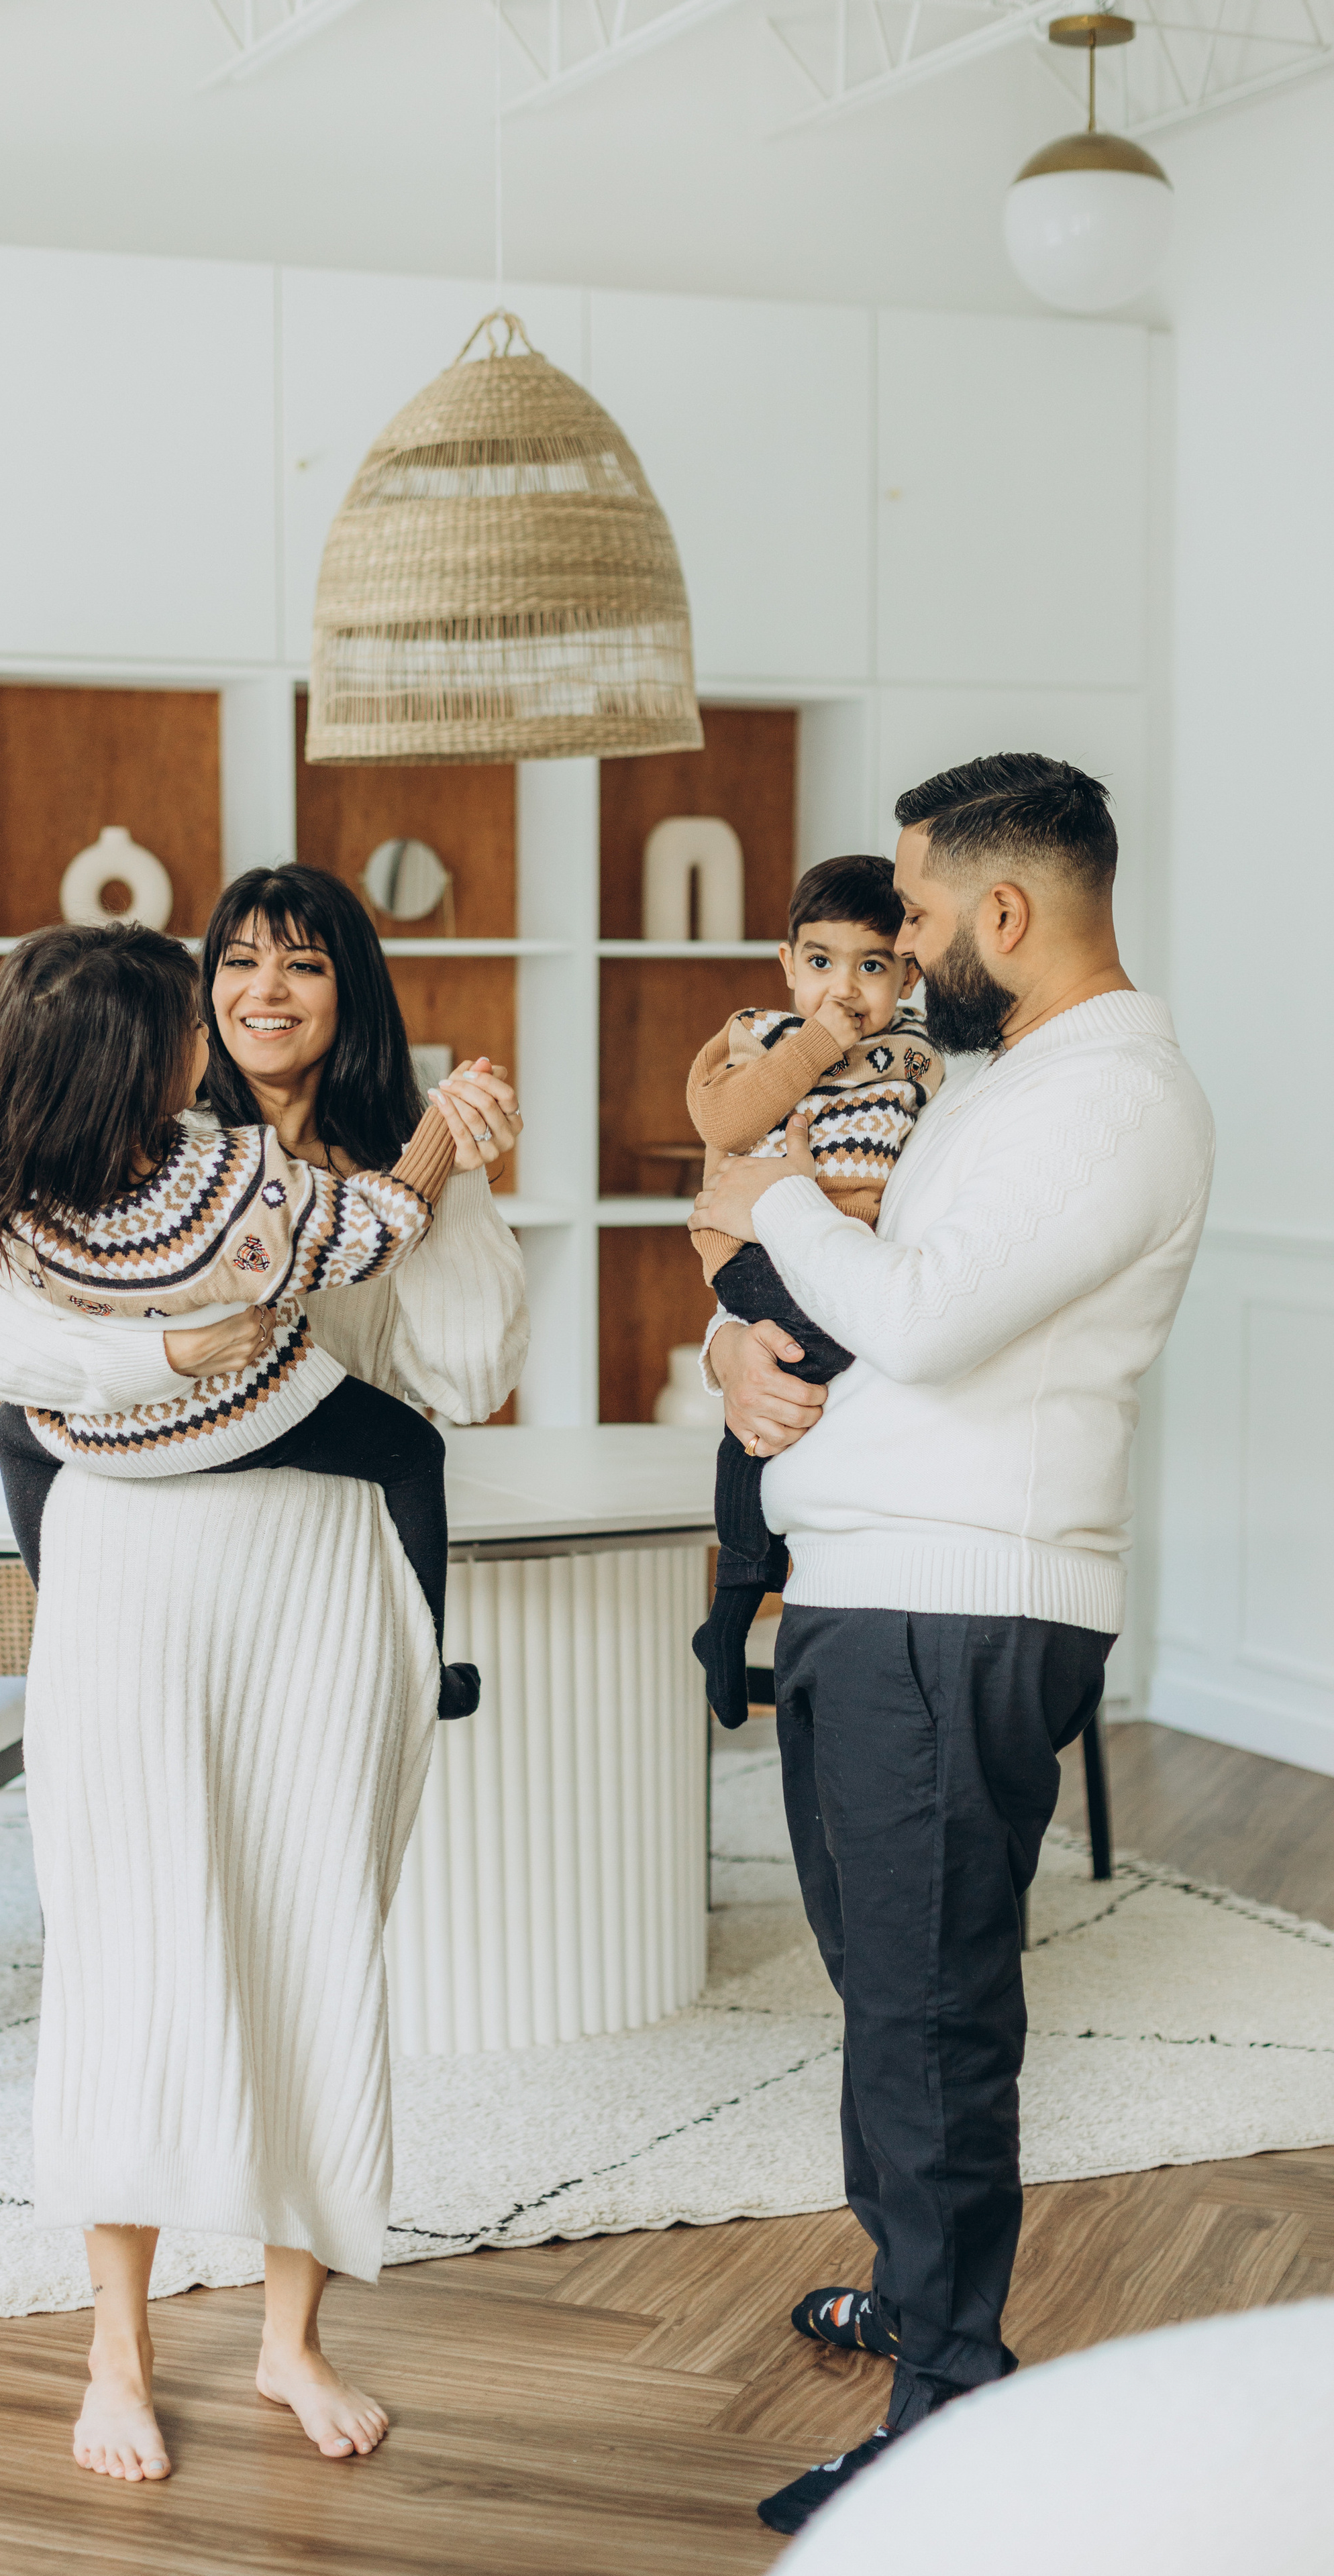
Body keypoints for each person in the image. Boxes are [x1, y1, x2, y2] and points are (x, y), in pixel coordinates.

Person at [0, 866, 527, 2484]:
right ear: (181, 1012)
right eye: (235, 964)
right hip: (135, 1574)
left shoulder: (376, 1154)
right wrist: (176, 1350)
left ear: (353, 991)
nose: (263, 991)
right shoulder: (80, 1154)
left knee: (314, 1934)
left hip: (319, 1572)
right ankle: (116, 2346)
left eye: (302, 963)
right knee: (127, 1942)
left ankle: (287, 2334)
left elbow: (461, 1380)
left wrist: (449, 1176)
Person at [691, 754, 1213, 2536]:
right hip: (874, 1587)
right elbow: (871, 1321)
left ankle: (946, 2428)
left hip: (958, 1606)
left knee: (928, 2023)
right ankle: (925, 2309)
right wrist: (737, 1360)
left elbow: (915, 1319)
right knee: (888, 1998)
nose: (899, 949)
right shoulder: (1012, 1085)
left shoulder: (1116, 1098)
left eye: (911, 913)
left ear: (1003, 912)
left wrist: (752, 1200)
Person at [0, 916, 495, 1716]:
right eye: (192, 1027)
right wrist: (441, 1126)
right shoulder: (230, 1183)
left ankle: (57, 1614)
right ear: (146, 1069)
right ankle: (430, 1669)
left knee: (13, 1437)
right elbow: (383, 1229)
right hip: (245, 1417)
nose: (208, 1033)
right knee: (411, 1452)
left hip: (91, 1434)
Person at [684, 853, 943, 1729]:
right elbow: (723, 1123)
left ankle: (740, 1601)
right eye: (822, 962)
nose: (845, 988)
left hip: (838, 1255)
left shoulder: (919, 1058)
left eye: (871, 966)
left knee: (787, 1377)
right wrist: (819, 1043)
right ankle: (744, 1590)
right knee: (791, 1366)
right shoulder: (757, 1036)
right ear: (787, 962)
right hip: (751, 1252)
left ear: (909, 972)